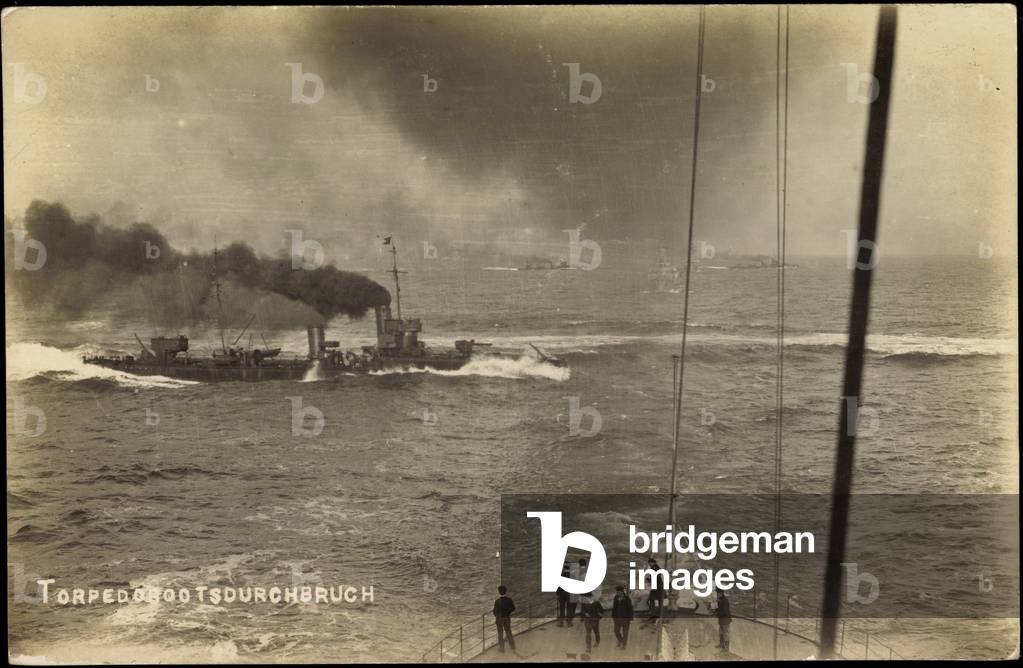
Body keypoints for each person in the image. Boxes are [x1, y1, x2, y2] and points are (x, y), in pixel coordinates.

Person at [493, 585, 516, 653]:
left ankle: (502, 648)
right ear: (505, 591)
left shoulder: (497, 601)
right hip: (507, 618)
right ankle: (512, 646)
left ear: (499, 592)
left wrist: (497, 616)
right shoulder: (509, 600)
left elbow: (494, 611)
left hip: (499, 619)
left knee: (500, 634)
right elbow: (513, 608)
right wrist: (508, 612)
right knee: (508, 632)